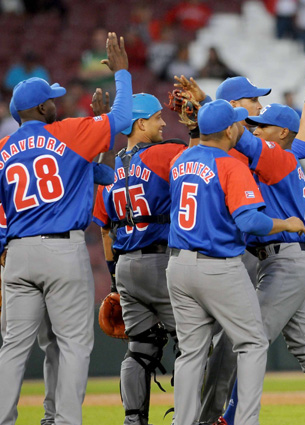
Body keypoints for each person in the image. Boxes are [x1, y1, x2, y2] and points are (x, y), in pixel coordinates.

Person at [0, 32, 131, 425]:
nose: (57, 102)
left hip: (18, 255)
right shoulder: (69, 132)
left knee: (12, 349)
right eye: (51, 98)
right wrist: (122, 74)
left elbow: (98, 173)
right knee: (73, 344)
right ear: (41, 107)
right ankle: (64, 421)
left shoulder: (3, 149)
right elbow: (122, 119)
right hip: (61, 251)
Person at [166, 99, 305, 425]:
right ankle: (245, 421)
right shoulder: (231, 165)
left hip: (178, 265)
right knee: (253, 342)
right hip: (217, 266)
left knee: (191, 353)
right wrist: (285, 224)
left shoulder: (180, 160)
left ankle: (183, 422)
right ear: (229, 129)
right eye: (239, 124)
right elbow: (251, 222)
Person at [217, 57, 305, 425]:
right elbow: (303, 139)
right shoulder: (289, 154)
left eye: (263, 126)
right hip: (286, 260)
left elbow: (241, 138)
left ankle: (228, 417)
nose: (255, 129)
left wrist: (216, 108)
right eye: (253, 124)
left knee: (251, 340)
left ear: (279, 134)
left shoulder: (273, 156)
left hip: (284, 260)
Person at [93, 93, 188, 425]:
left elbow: (106, 230)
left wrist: (115, 281)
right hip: (161, 263)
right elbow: (207, 158)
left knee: (140, 349)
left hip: (126, 266)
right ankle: (193, 417)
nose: (164, 123)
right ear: (140, 123)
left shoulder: (111, 170)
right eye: (158, 117)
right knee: (195, 342)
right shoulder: (166, 153)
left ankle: (133, 420)